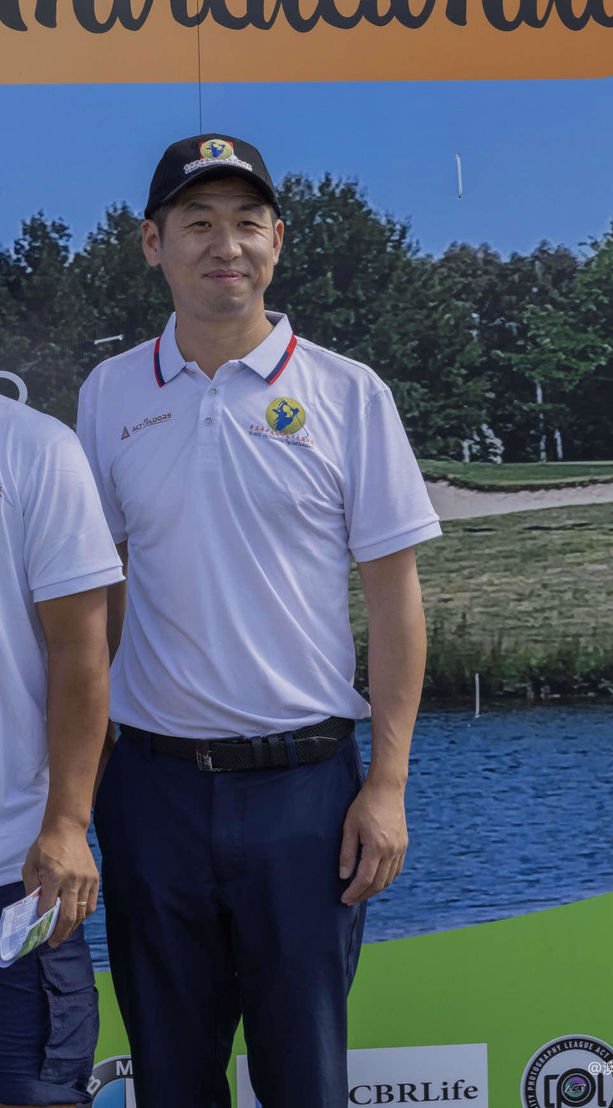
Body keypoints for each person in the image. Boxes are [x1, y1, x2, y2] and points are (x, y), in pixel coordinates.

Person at [76, 133, 441, 1108]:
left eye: (247, 223)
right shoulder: (110, 394)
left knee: (305, 1085)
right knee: (173, 1082)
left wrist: (388, 784)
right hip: (152, 792)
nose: (224, 245)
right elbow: (97, 597)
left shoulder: (348, 392)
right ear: (152, 243)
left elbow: (395, 599)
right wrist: (80, 789)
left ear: (278, 241)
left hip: (306, 795)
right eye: (197, 222)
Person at [0, 393, 123, 1108]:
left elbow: (81, 652)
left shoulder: (34, 448)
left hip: (14, 871)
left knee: (33, 1092)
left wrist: (68, 825)